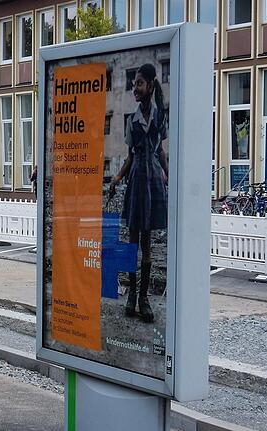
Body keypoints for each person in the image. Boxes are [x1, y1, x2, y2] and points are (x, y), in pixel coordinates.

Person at [108, 63, 168, 324]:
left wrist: (170, 176)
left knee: (146, 245)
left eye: (139, 83)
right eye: (134, 83)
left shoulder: (159, 117)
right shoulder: (132, 120)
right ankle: (132, 295)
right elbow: (130, 157)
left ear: (150, 85)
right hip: (136, 182)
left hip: (153, 182)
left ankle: (143, 298)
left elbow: (161, 152)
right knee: (133, 242)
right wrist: (117, 178)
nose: (135, 87)